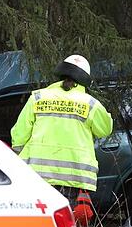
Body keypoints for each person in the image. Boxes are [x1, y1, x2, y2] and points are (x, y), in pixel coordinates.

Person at [11, 54, 114, 208]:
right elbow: (105, 130)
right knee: (64, 218)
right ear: (85, 79)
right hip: (73, 178)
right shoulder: (91, 104)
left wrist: (17, 157)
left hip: (37, 175)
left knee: (40, 217)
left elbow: (19, 134)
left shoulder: (38, 97)